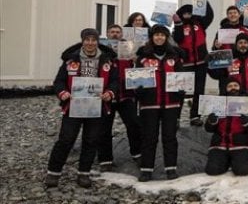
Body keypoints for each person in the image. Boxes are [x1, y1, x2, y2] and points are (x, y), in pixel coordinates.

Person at [45, 28, 118, 188]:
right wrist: (62, 93)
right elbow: (59, 81)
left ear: (98, 41)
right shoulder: (71, 60)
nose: (90, 43)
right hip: (73, 106)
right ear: (82, 41)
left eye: (93, 40)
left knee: (91, 140)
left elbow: (115, 81)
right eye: (87, 40)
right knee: (66, 139)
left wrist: (110, 93)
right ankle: (53, 172)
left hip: (97, 107)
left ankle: (83, 173)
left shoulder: (107, 61)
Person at [134, 25, 184, 182]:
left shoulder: (174, 57)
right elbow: (135, 81)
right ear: (152, 37)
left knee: (169, 137)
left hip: (171, 104)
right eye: (156, 35)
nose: (159, 38)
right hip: (150, 105)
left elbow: (182, 79)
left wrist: (182, 90)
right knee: (149, 137)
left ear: (167, 37)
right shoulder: (143, 58)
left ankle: (171, 169)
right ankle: (146, 170)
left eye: (163, 35)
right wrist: (139, 90)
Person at [208, 33, 248, 167]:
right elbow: (214, 73)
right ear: (236, 45)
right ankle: (238, 156)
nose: (243, 45)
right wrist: (215, 52)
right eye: (240, 43)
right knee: (237, 129)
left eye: (245, 42)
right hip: (233, 102)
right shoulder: (229, 59)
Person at [97, 24, 142, 172]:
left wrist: (136, 59)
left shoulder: (128, 48)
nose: (115, 34)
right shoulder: (100, 51)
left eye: (118, 32)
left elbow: (136, 68)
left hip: (126, 95)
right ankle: (105, 160)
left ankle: (137, 154)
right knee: (104, 129)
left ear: (121, 34)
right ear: (107, 34)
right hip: (106, 97)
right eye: (112, 32)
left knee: (134, 125)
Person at [173, 0, 214, 126]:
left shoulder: (200, 24)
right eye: (184, 13)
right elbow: (178, 39)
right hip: (185, 64)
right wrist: (178, 24)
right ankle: (176, 118)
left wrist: (203, 1)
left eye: (189, 13)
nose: (187, 15)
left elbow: (209, 15)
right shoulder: (178, 27)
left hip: (201, 63)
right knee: (180, 92)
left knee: (199, 91)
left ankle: (195, 116)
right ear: (181, 14)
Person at [204, 80, 248, 177]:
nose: (233, 88)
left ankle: (237, 161)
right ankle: (225, 162)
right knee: (212, 170)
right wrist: (211, 121)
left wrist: (247, 123)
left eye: (236, 85)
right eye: (229, 86)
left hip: (240, 145)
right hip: (219, 145)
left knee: (243, 171)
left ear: (240, 88)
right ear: (225, 89)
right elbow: (208, 129)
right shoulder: (217, 103)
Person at [211, 5, 248, 94]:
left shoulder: (247, 29)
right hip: (226, 63)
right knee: (225, 89)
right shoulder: (222, 30)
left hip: (243, 62)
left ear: (239, 15)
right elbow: (215, 49)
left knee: (243, 87)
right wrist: (216, 47)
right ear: (227, 16)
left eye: (235, 13)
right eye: (230, 13)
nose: (232, 15)